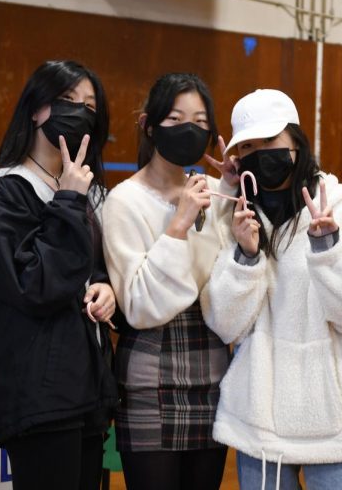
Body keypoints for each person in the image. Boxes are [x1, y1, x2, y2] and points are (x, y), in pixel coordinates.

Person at [201, 89, 342, 490]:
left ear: (295, 142)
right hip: (260, 427)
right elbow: (225, 324)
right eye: (247, 146)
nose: (259, 153)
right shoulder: (235, 213)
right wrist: (247, 256)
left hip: (338, 428)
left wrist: (327, 250)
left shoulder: (338, 205)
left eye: (269, 142)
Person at [0, 60, 118, 490]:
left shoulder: (89, 191)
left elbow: (88, 270)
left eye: (90, 106)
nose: (80, 112)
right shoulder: (5, 190)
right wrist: (69, 201)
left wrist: (106, 288)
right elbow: (33, 284)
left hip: (87, 390)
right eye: (68, 101)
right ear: (37, 110)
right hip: (38, 394)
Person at [102, 73, 233, 490]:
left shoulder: (215, 192)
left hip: (212, 368)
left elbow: (231, 281)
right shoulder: (124, 199)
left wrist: (231, 185)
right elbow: (139, 306)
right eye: (176, 119)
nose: (189, 130)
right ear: (149, 124)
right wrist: (178, 225)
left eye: (199, 120)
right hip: (150, 375)